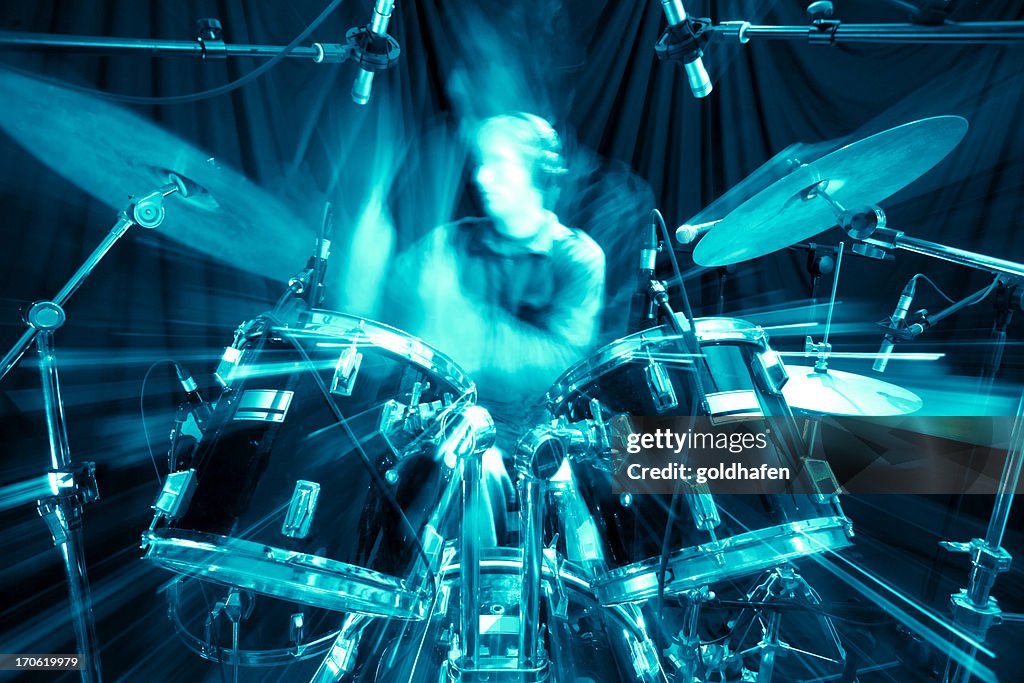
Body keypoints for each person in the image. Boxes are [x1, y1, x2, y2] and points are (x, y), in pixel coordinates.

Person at [381, 113, 606, 541]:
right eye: (480, 163)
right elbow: (389, 310)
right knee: (467, 469)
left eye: (499, 163)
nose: (482, 177)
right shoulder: (448, 242)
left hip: (540, 441)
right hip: (452, 434)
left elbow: (562, 363)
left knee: (582, 529)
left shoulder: (578, 258)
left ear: (538, 174)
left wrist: (469, 325)